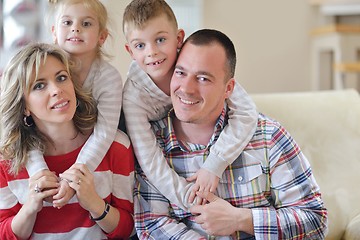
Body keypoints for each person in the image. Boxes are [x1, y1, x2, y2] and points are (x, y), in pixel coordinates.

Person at [133, 29, 328, 239]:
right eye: (180, 73)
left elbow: (315, 221)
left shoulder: (268, 136)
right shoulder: (152, 146)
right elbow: (151, 225)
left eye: (203, 78)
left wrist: (241, 219)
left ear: (229, 89)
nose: (186, 89)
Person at [122, 0, 258, 210]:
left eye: (160, 40)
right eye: (140, 45)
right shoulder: (133, 97)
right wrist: (191, 200)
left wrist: (214, 165)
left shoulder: (192, 59)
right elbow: (150, 161)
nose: (152, 52)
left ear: (178, 39)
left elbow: (247, 112)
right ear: (130, 51)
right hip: (164, 149)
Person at [0, 43, 134, 239]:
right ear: (24, 107)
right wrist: (29, 208)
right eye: (39, 85)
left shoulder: (117, 146)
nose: (56, 90)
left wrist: (94, 203)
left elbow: (130, 229)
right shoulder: (6, 161)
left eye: (61, 78)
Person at [25, 0, 123, 208]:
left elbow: (105, 132)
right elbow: (27, 128)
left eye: (86, 24)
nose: (75, 28)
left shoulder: (108, 77)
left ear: (102, 37)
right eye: (67, 22)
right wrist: (38, 170)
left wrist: (77, 173)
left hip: (91, 143)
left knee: (119, 137)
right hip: (52, 140)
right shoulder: (45, 68)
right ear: (54, 32)